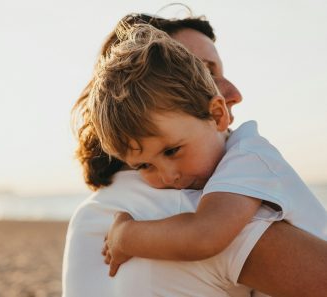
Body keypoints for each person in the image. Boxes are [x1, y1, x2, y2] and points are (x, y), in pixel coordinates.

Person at [62, 13, 327, 297]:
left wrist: (126, 236)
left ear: (216, 114)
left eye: (172, 150)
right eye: (203, 71)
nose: (234, 93)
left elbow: (205, 232)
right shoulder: (182, 204)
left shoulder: (92, 214)